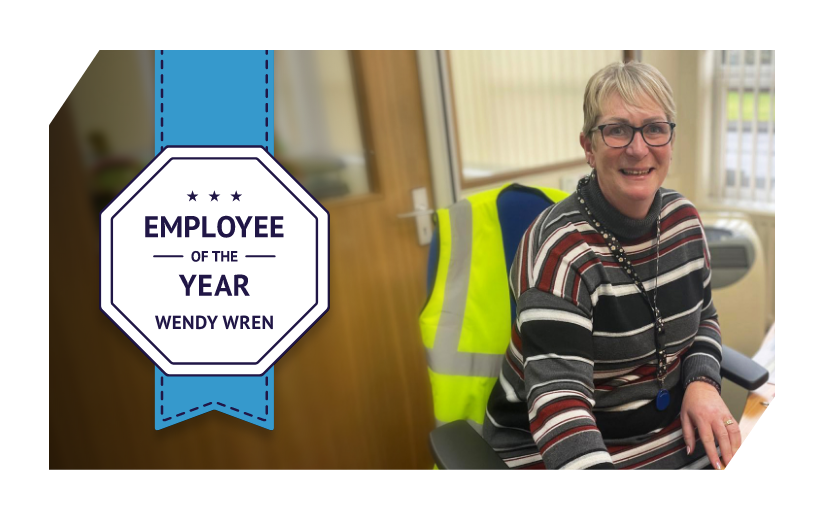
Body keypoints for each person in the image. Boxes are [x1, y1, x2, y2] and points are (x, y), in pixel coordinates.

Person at [483, 61, 740, 470]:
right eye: (617, 130)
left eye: (655, 128)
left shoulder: (685, 222)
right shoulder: (559, 251)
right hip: (551, 443)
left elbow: (704, 316)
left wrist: (702, 382)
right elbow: (560, 408)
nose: (639, 149)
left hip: (662, 428)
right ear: (589, 147)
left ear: (671, 142)